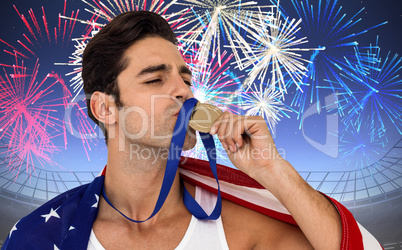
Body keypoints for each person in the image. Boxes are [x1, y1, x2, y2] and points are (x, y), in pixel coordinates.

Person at [2, 11, 381, 250]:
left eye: (185, 77)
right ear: (105, 108)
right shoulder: (41, 235)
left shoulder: (240, 232)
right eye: (154, 80)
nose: (184, 90)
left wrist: (272, 170)